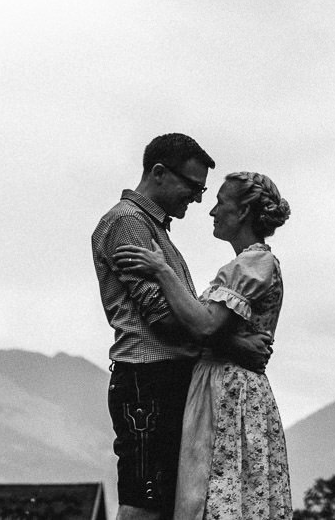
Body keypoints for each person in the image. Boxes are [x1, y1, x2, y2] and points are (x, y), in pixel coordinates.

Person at [93, 134, 273, 520]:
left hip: (166, 378)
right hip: (148, 379)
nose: (197, 198)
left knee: (167, 502)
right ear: (159, 173)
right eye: (192, 186)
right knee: (145, 503)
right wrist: (237, 348)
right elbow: (164, 316)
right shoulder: (127, 223)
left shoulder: (154, 230)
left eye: (203, 190)